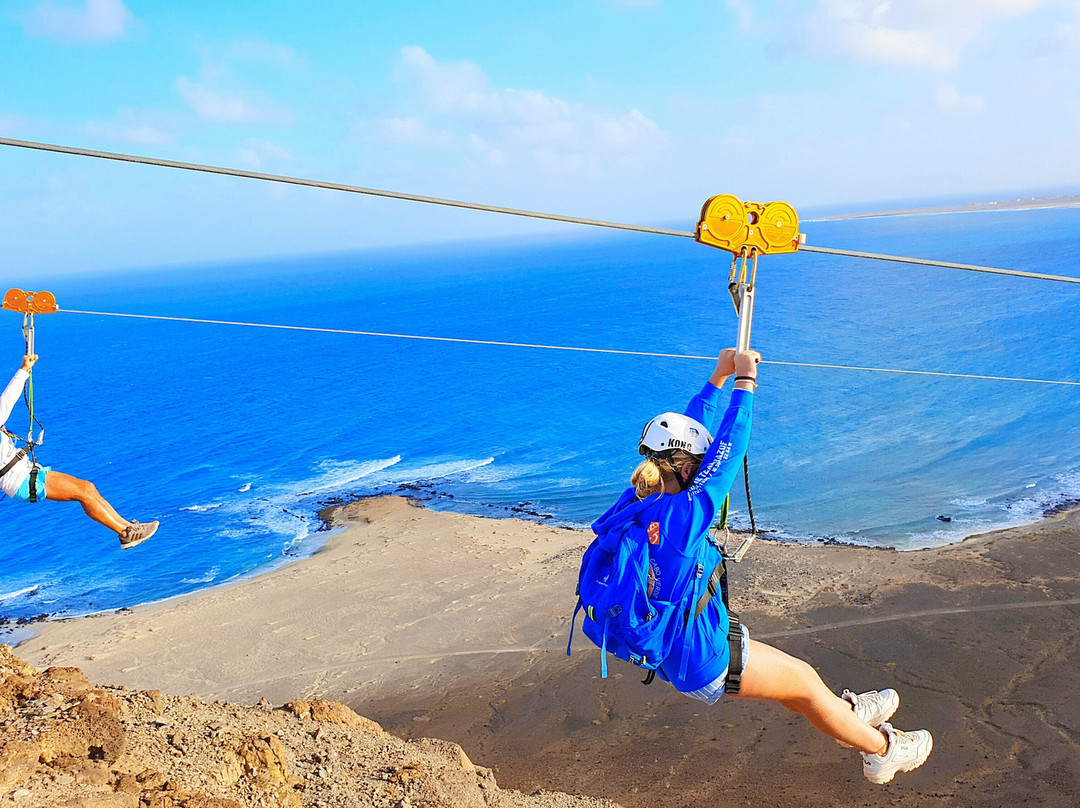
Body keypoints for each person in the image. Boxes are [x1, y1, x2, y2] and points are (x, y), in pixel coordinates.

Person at [590, 347, 933, 784]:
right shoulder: (684, 517)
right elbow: (728, 453)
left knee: (798, 690)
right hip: (703, 656)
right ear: (686, 466)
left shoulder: (639, 501)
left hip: (690, 643)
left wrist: (717, 378)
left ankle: (847, 713)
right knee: (806, 686)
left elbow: (689, 435)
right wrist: (745, 385)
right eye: (697, 461)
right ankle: (884, 750)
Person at [1, 354, 158, 549]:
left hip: (24, 475)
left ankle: (127, 527)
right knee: (83, 492)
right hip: (21, 479)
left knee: (88, 488)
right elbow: (7, 401)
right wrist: (24, 369)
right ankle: (126, 533)